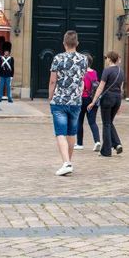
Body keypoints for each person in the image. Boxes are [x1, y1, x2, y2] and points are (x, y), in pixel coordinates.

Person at [49, 30, 89, 177]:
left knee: (60, 133)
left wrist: (50, 96)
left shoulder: (58, 58)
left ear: (64, 43)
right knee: (72, 133)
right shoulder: (84, 59)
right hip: (76, 101)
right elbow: (81, 79)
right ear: (77, 43)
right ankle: (68, 162)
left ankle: (66, 163)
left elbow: (53, 80)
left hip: (59, 100)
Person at [88, 51, 124, 157]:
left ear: (109, 59)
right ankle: (117, 144)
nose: (106, 60)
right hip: (117, 99)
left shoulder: (107, 70)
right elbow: (121, 88)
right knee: (110, 122)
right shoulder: (121, 71)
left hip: (107, 99)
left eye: (106, 58)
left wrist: (93, 102)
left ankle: (106, 151)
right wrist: (120, 104)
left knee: (106, 124)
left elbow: (100, 87)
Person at [75, 54, 101, 152]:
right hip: (92, 99)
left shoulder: (81, 73)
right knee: (92, 122)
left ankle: (80, 143)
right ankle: (97, 141)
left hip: (82, 99)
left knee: (79, 121)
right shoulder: (94, 72)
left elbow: (80, 87)